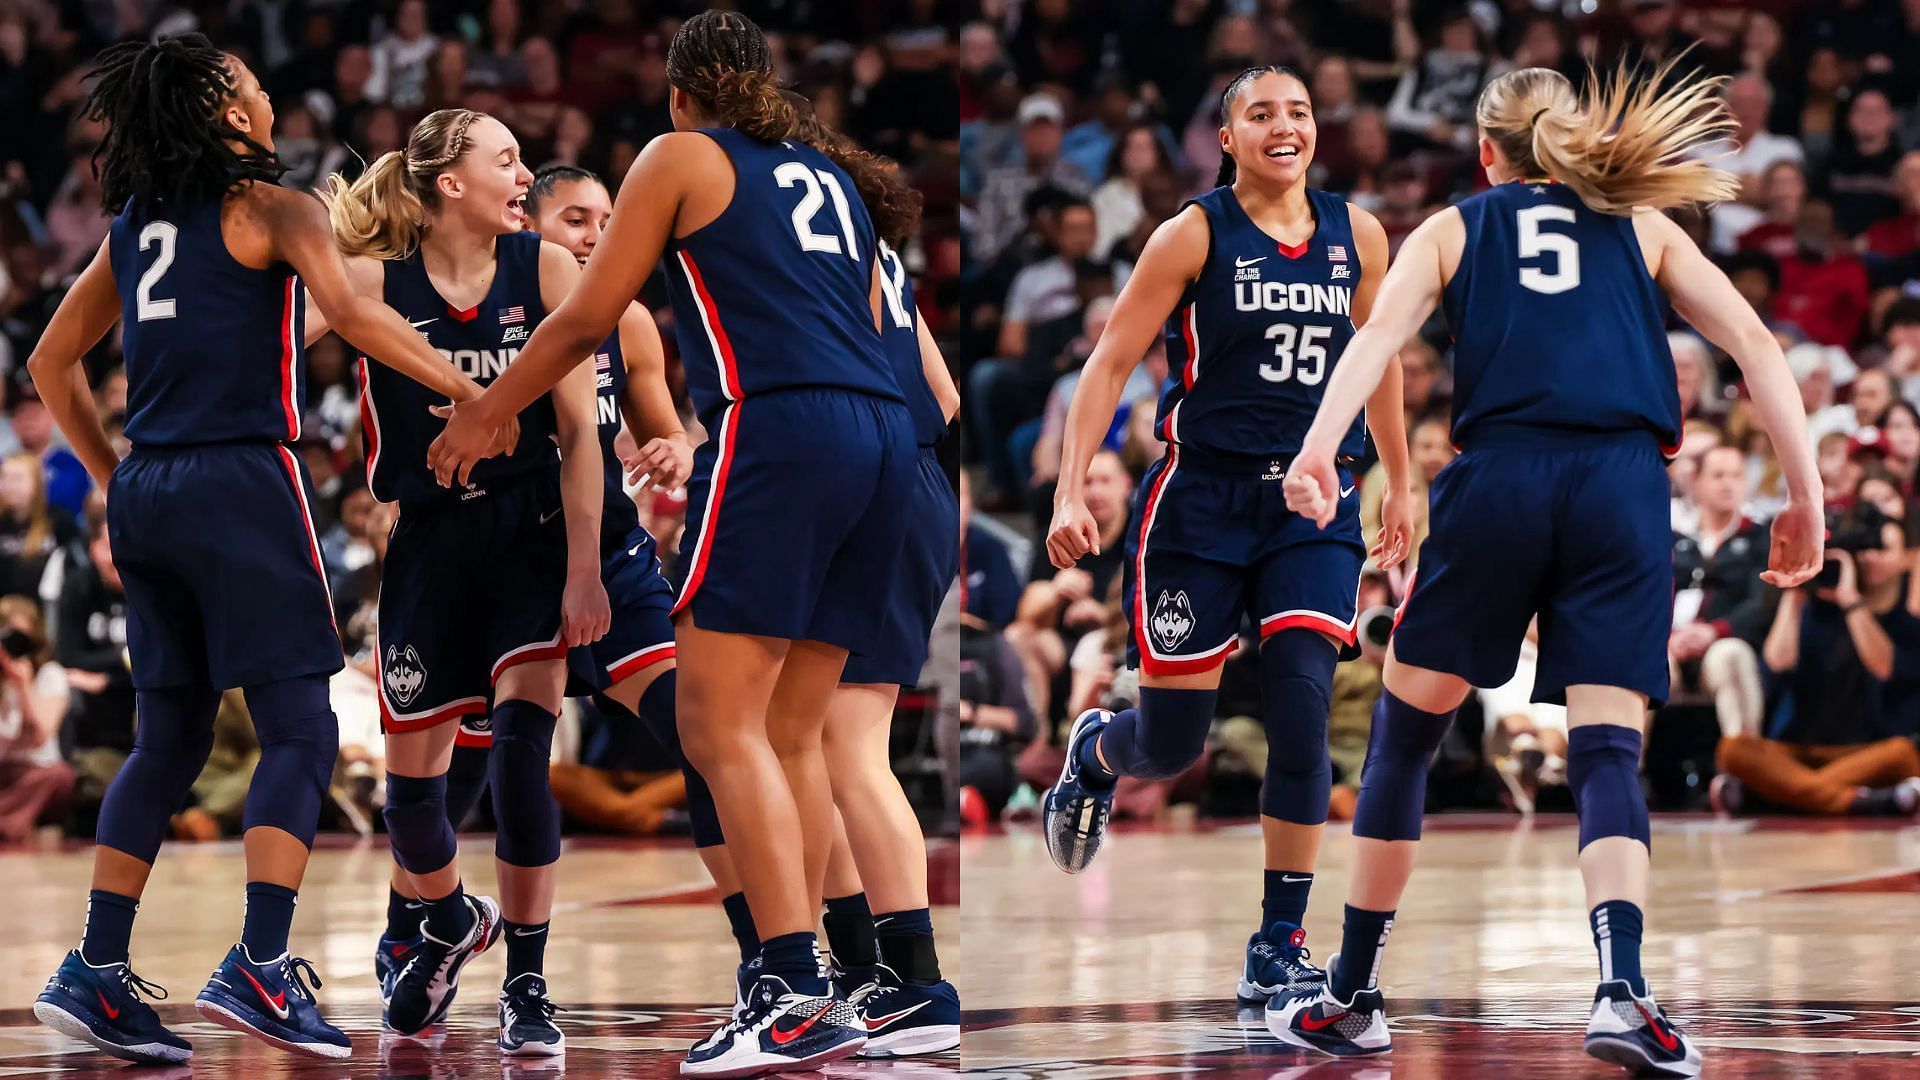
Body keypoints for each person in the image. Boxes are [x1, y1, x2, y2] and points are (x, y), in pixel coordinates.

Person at [1269, 60, 1823, 1077]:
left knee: (1405, 738)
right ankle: (1621, 991)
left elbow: (1377, 338)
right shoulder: (1646, 224)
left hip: (1503, 481)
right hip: (1622, 486)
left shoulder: (1453, 226)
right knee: (1608, 746)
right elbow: (1754, 344)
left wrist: (1317, 449)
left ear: (1487, 153)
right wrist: (1806, 496)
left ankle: (1349, 993)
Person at [426, 11, 913, 1075]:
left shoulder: (681, 155)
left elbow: (583, 320)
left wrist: (485, 408)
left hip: (787, 426)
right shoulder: (821, 168)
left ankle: (789, 987)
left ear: (681, 92)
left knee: (714, 716)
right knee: (791, 730)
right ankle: (845, 974)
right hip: (888, 438)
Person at [26, 34, 504, 1064]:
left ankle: (94, 969)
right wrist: (473, 388)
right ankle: (259, 960)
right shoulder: (272, 208)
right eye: (247, 78)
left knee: (168, 743)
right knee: (298, 734)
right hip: (241, 477)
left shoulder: (134, 223)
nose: (264, 85)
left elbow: (49, 359)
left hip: (150, 487)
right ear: (227, 112)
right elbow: (353, 319)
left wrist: (115, 477)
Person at [1040, 64, 1415, 1013]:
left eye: (1298, 111)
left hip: (1311, 508)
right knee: (1171, 746)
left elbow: (1382, 365)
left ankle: (1277, 942)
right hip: (1199, 506)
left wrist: (1401, 483)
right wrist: (1069, 489)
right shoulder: (1194, 233)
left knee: (1302, 719)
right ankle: (1097, 752)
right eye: (1262, 113)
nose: (1284, 125)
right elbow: (1110, 361)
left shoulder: (1358, 233)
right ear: (1229, 137)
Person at [312, 107, 608, 1054]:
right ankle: (445, 919)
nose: (526, 177)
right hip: (428, 540)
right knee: (413, 804)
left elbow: (579, 440)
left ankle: (528, 984)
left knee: (525, 748)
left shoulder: (549, 271)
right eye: (508, 161)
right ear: (449, 183)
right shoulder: (368, 283)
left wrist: (588, 570)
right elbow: (261, 324)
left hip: (531, 532)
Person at [1718, 477, 1920, 817]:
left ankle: (1777, 796)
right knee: (1733, 750)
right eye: (1864, 552)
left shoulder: (1901, 616)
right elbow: (1777, 662)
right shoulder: (1811, 607)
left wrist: (1851, 601)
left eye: (1881, 551)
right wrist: (1796, 593)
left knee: (1902, 754)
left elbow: (1885, 668)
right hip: (1800, 748)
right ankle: (1850, 801)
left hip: (1869, 748)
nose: (1870, 561)